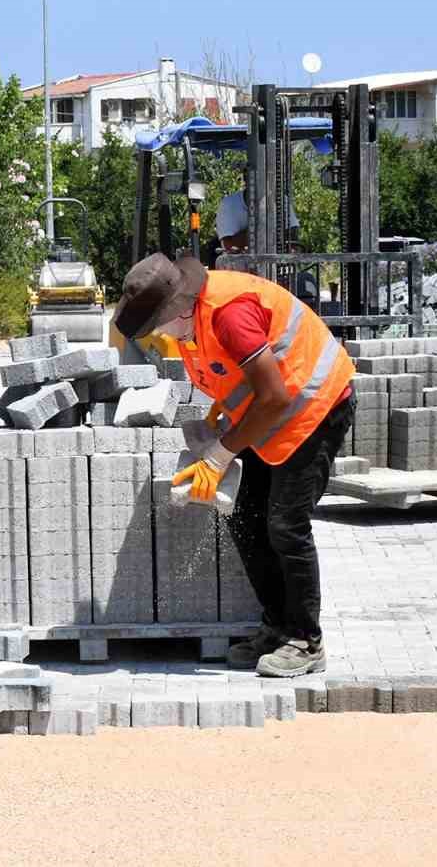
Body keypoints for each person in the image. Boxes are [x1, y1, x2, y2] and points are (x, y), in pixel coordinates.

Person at [114, 253, 355, 678]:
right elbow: (238, 379)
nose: (159, 338)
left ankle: (305, 641)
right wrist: (222, 416)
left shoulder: (229, 314)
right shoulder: (192, 323)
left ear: (179, 307)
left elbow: (276, 395)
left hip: (314, 405)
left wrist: (222, 452)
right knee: (244, 514)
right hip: (273, 409)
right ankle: (277, 626)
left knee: (286, 524)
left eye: (158, 327)